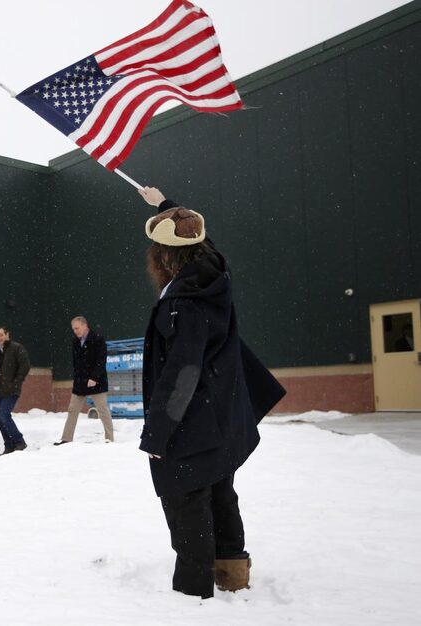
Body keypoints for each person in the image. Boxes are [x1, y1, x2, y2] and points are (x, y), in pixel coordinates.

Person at [137, 186, 285, 599]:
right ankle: (233, 571)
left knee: (187, 502)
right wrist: (166, 206)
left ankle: (193, 590)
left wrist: (158, 434)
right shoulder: (213, 274)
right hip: (220, 411)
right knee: (220, 489)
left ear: (164, 257)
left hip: (193, 418)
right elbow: (203, 240)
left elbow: (182, 373)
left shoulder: (183, 302)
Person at [54, 316, 114, 445]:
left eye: (77, 328)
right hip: (80, 381)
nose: (75, 331)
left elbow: (101, 361)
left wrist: (94, 378)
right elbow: (76, 363)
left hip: (96, 381)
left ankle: (110, 438)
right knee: (72, 409)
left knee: (102, 409)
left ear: (85, 326)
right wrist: (77, 378)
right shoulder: (75, 342)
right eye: (73, 329)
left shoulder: (98, 339)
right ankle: (66, 438)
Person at [0, 326, 31, 455]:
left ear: (7, 334)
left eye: (1, 335)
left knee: (4, 416)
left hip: (11, 389)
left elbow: (25, 365)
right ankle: (9, 445)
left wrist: (16, 382)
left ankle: (19, 441)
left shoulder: (16, 348)